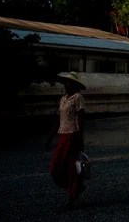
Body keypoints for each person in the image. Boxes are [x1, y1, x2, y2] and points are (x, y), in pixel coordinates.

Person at [45, 71, 87, 210]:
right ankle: (77, 187)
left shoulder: (78, 98)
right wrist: (50, 137)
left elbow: (81, 119)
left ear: (74, 84)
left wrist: (81, 139)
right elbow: (59, 119)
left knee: (69, 166)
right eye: (65, 82)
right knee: (56, 167)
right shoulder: (63, 99)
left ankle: (73, 194)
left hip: (73, 135)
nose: (65, 84)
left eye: (68, 82)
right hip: (63, 135)